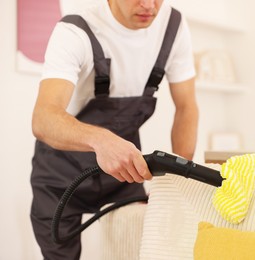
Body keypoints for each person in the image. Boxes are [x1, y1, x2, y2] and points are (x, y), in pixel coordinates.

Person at [30, 0, 199, 258]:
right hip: (60, 174)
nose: (149, 6)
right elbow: (44, 119)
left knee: (137, 249)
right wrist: (101, 140)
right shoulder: (75, 31)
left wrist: (179, 177)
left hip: (124, 174)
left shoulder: (172, 26)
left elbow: (187, 107)